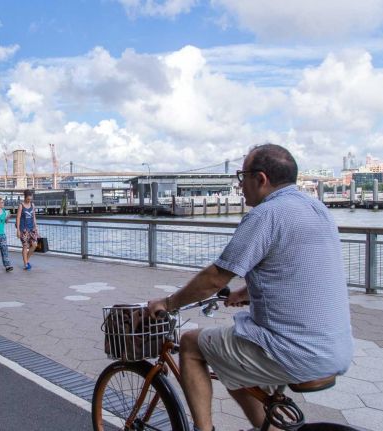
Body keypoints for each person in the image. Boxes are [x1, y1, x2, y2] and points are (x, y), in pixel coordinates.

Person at [148, 144, 353, 431]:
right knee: (230, 362)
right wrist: (244, 294)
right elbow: (292, 269)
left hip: (292, 349)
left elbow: (215, 278)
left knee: (193, 344)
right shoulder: (317, 209)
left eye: (241, 176)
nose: (239, 184)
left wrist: (168, 303)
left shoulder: (265, 215)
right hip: (336, 347)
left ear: (261, 179)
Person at [15, 189, 39, 270]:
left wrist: (36, 227)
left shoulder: (33, 205)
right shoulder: (21, 205)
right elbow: (18, 218)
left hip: (32, 229)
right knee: (25, 246)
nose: (29, 200)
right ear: (25, 197)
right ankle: (26, 264)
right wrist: (18, 230)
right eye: (28, 199)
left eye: (30, 199)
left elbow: (34, 217)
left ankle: (26, 260)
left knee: (35, 245)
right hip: (23, 229)